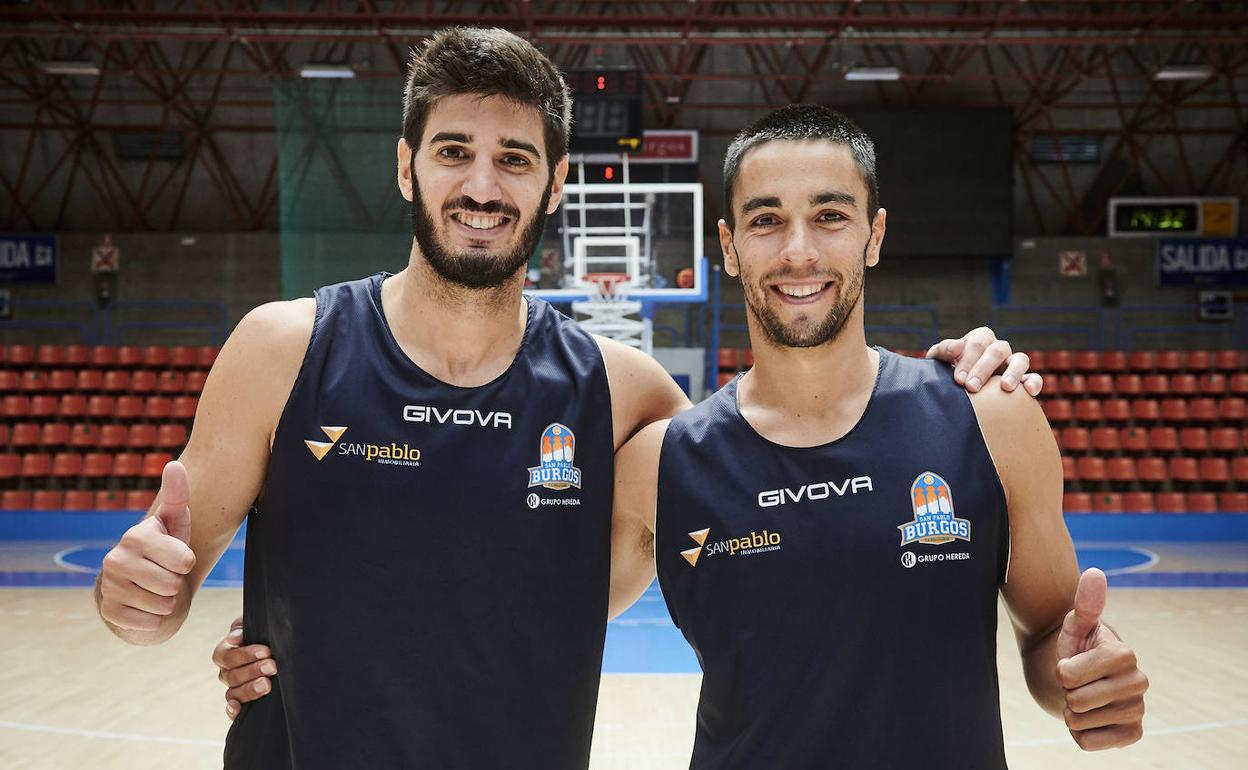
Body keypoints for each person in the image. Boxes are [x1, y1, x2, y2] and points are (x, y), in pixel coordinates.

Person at [100, 27, 1033, 769]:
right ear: (405, 166)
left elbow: (799, 461)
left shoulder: (626, 395)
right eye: (453, 151)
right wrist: (140, 597)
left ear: (554, 185)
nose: (480, 184)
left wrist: (964, 375)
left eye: (514, 158)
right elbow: (160, 585)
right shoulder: (281, 348)